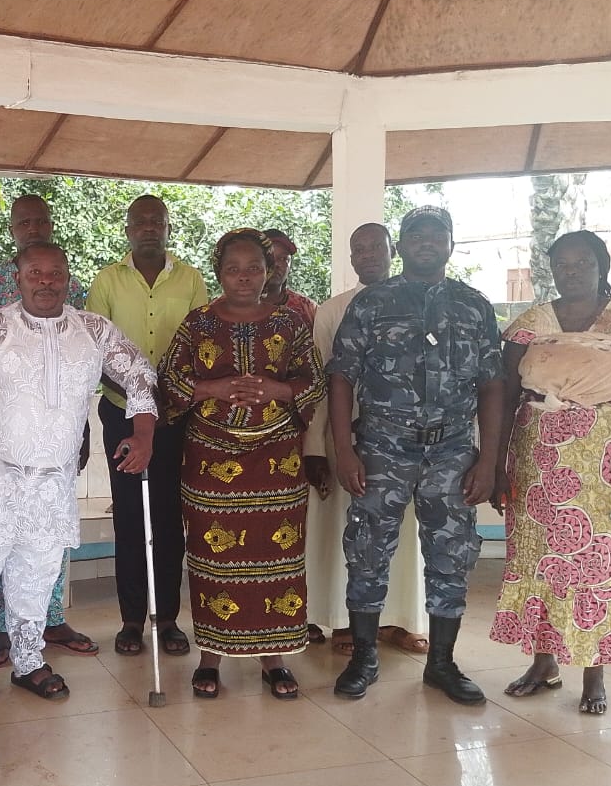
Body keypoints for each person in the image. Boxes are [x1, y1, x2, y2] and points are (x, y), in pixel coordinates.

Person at [0, 241, 158, 705]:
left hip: (54, 481)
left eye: (55, 274)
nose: (46, 282)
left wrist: (144, 435)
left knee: (37, 575)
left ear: (69, 279)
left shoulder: (94, 330)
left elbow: (139, 374)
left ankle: (29, 660)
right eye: (35, 273)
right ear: (18, 278)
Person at [327, 205, 502, 704]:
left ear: (451, 245)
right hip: (381, 448)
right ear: (401, 246)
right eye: (416, 235)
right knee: (367, 551)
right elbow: (340, 378)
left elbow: (492, 385)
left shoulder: (474, 306)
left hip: (452, 451)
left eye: (436, 235)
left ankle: (442, 663)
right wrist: (344, 451)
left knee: (452, 555)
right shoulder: (373, 303)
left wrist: (488, 461)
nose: (426, 242)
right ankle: (364, 657)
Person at [489, 230, 611, 716]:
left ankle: (594, 674)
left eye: (582, 262)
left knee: (599, 564)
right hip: (536, 460)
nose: (571, 271)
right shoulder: (529, 324)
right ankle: (543, 664)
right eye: (562, 264)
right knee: (539, 560)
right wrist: (498, 465)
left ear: (601, 265)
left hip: (607, 465)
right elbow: (506, 395)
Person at [160, 229, 324, 698]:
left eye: (254, 268)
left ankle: (274, 658)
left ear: (268, 271)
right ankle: (210, 657)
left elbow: (314, 380)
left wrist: (279, 390)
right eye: (233, 269)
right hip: (210, 460)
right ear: (219, 272)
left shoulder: (290, 323)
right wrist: (210, 388)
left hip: (277, 461)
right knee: (214, 559)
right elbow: (168, 377)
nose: (244, 277)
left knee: (277, 559)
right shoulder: (198, 324)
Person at [0, 193, 99, 660]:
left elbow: (80, 363)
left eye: (40, 221)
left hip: (57, 434)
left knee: (49, 529)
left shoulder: (71, 284)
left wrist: (81, 431)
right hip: (5, 436)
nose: (33, 228)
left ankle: (50, 620)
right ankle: (1, 629)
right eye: (24, 222)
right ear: (12, 229)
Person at [87, 194, 208, 657]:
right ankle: (132, 620)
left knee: (169, 516)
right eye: (141, 222)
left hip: (176, 415)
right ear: (128, 229)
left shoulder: (191, 279)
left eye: (158, 221)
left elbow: (202, 344)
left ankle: (169, 619)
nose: (149, 228)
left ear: (168, 227)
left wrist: (169, 395)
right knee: (130, 517)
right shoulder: (107, 280)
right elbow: (96, 349)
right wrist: (138, 396)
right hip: (121, 413)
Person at [304, 224, 429, 657]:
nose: (369, 254)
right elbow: (321, 382)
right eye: (359, 248)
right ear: (351, 257)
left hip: (407, 442)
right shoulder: (333, 310)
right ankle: (344, 621)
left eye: (377, 246)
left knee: (405, 533)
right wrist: (316, 449)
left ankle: (399, 621)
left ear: (394, 250)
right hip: (347, 438)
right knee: (348, 530)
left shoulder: (421, 303)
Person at [262, 229, 318, 328]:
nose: (276, 264)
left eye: (283, 259)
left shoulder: (308, 309)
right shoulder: (235, 307)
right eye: (269, 258)